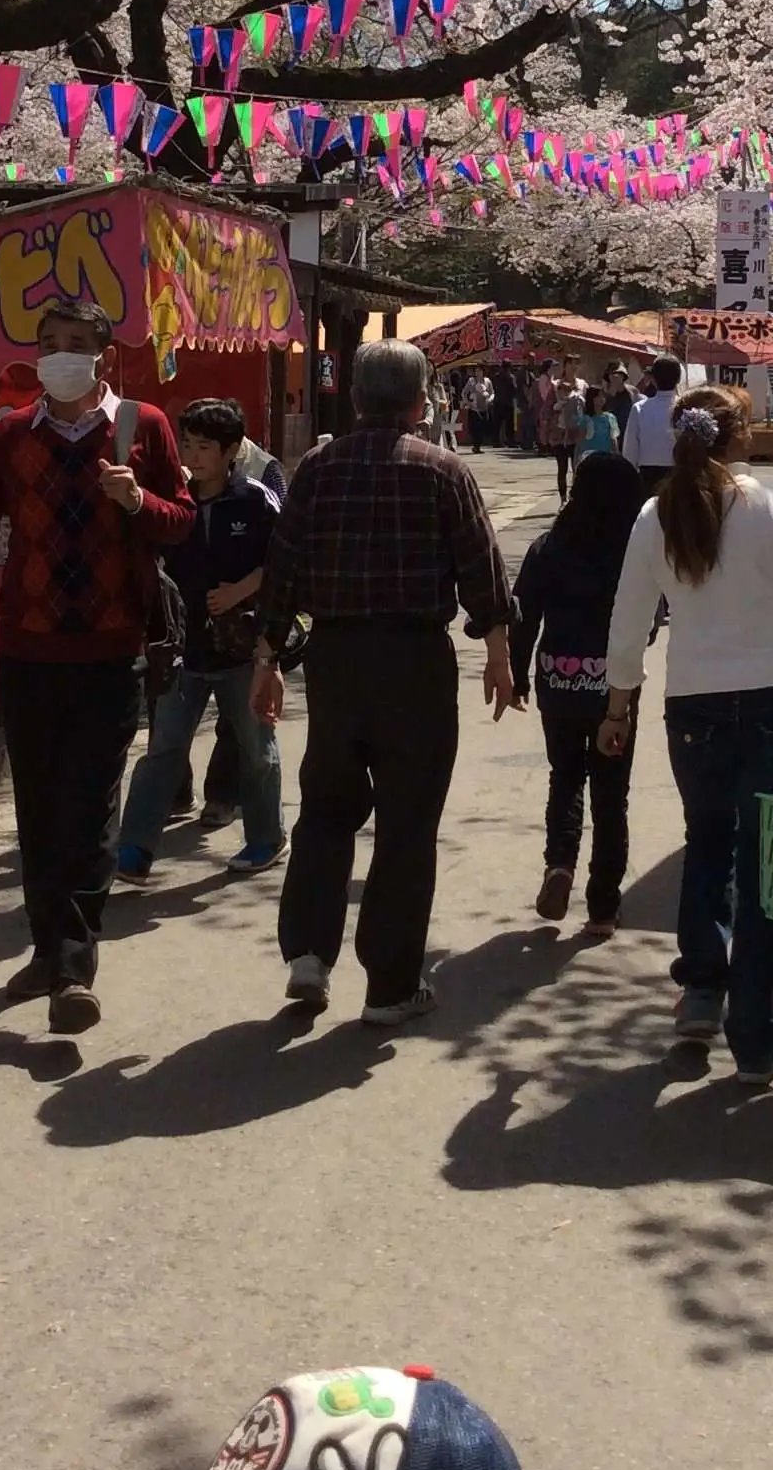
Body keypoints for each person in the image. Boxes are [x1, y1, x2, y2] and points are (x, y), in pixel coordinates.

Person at [0, 297, 194, 1034]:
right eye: (48, 341)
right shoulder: (9, 436)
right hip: (29, 650)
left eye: (75, 341)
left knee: (89, 808)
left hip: (110, 651)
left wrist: (139, 503)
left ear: (102, 351)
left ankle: (73, 968)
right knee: (37, 811)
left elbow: (183, 521)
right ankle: (49, 950)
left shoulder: (143, 426)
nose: (60, 353)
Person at [604, 387, 773, 1086]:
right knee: (766, 866)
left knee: (707, 842)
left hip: (693, 704)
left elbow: (630, 618)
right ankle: (753, 1038)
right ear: (742, 437)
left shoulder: (652, 514)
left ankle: (700, 990)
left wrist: (617, 704)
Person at [250, 340, 518, 1027]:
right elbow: (481, 569)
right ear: (420, 402)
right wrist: (497, 651)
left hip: (337, 661)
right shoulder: (443, 470)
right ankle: (389, 986)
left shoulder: (316, 469)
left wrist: (267, 658)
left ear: (357, 398)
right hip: (415, 665)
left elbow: (281, 568)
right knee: (407, 824)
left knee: (325, 809)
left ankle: (309, 954)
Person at [116, 401, 283, 888]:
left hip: (242, 649)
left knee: (255, 748)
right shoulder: (171, 500)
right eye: (186, 444)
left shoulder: (254, 500)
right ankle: (134, 849)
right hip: (181, 650)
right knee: (164, 749)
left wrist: (240, 590)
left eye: (204, 446)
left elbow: (284, 561)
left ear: (231, 451)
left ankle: (266, 837)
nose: (193, 454)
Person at [511, 454, 650, 936]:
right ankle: (603, 907)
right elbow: (651, 624)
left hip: (558, 680)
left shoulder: (549, 546)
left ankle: (559, 866)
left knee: (565, 777)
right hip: (615, 687)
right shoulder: (634, 554)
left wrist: (517, 675)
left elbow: (524, 615)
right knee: (612, 796)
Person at [621, 353, 682, 489]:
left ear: (653, 379)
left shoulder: (640, 408)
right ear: (679, 379)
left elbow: (630, 451)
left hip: (648, 478)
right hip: (679, 477)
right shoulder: (687, 407)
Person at [549, 364, 587, 500]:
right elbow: (550, 417)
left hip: (573, 437)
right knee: (562, 469)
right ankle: (563, 498)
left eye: (565, 390)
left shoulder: (576, 401)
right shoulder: (556, 404)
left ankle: (574, 496)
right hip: (559, 439)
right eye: (560, 390)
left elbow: (581, 417)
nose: (562, 393)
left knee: (576, 468)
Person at [576, 383, 620, 467]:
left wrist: (617, 457)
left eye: (602, 396)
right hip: (589, 459)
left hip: (606, 458)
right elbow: (579, 442)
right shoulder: (586, 419)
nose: (601, 399)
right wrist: (576, 461)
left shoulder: (610, 418)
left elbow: (614, 440)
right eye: (598, 396)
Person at [461, 368, 494, 453]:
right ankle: (476, 446)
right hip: (474, 409)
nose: (478, 373)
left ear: (483, 372)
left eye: (480, 371)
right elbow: (464, 392)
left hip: (484, 408)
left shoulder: (487, 381)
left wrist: (489, 400)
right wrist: (467, 402)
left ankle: (479, 444)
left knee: (483, 427)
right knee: (475, 428)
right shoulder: (471, 381)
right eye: (476, 371)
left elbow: (492, 393)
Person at [603, 362, 637, 437]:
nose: (615, 376)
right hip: (611, 434)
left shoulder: (632, 391)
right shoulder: (604, 394)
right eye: (612, 375)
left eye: (618, 374)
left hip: (629, 432)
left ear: (623, 376)